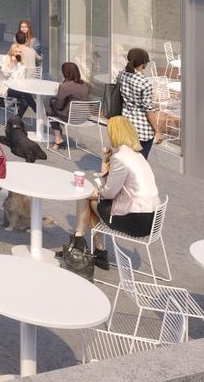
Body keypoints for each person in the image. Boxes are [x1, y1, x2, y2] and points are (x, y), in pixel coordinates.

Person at [59, 116, 160, 272]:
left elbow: (108, 193)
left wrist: (97, 185)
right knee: (92, 200)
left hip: (135, 220)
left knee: (85, 196)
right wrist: (106, 162)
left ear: (115, 134)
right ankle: (98, 252)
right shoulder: (138, 156)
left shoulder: (121, 158)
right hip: (152, 220)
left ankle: (80, 242)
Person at [117, 47, 160, 159]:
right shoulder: (144, 82)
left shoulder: (121, 75)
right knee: (140, 162)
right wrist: (157, 130)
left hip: (125, 124)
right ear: (144, 63)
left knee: (126, 160)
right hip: (142, 130)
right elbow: (148, 110)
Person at [48, 61, 91, 148]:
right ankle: (59, 131)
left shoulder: (65, 86)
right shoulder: (85, 85)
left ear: (65, 73)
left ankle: (58, 138)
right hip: (84, 117)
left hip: (71, 118)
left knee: (49, 109)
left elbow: (59, 106)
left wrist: (52, 100)